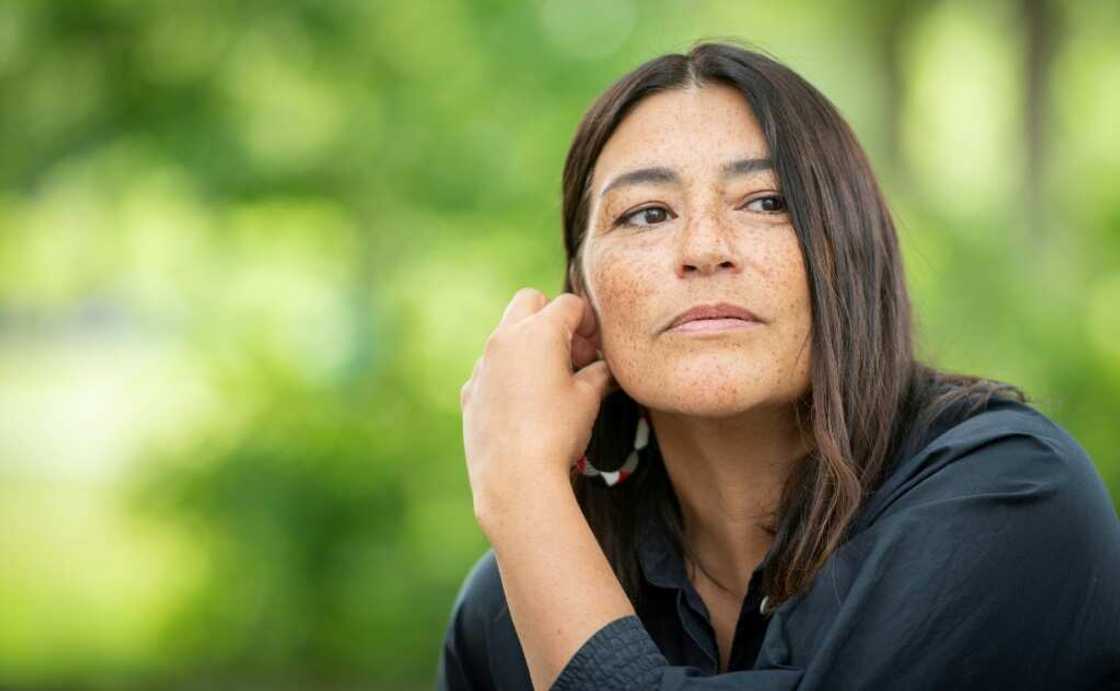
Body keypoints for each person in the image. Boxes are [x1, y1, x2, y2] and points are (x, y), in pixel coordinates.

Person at [438, 41, 1120, 690]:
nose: (705, 247)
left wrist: (521, 487)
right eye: (646, 214)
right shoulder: (512, 601)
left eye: (768, 202)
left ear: (852, 255)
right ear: (581, 300)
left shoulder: (1013, 499)